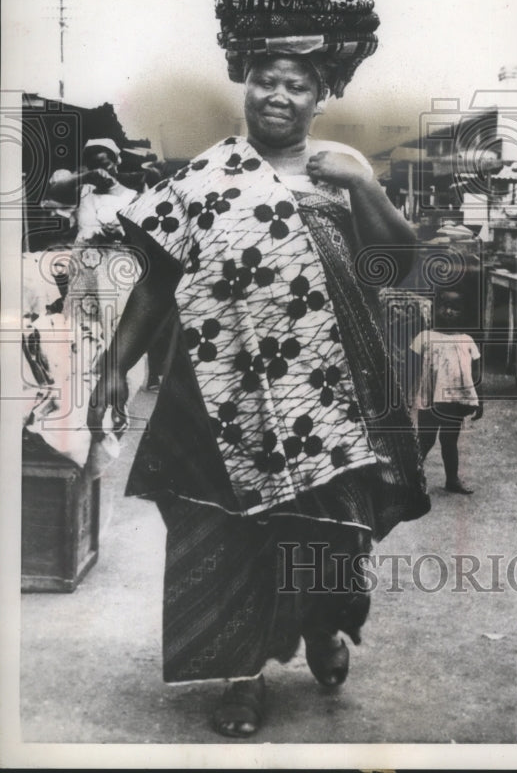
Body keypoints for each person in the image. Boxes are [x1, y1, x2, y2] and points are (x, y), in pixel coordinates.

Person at [88, 54, 430, 737]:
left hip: (329, 394)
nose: (278, 95)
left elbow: (398, 263)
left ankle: (323, 622)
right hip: (221, 390)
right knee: (224, 525)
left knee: (331, 526)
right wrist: (114, 365)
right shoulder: (201, 179)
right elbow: (155, 285)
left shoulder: (341, 172)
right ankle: (240, 676)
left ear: (320, 97)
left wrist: (364, 185)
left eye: (296, 85)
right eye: (265, 81)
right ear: (245, 88)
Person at [410, 288, 483, 494]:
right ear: (434, 309)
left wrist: (480, 400)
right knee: (425, 440)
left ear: (464, 313)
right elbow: (410, 370)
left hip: (454, 402)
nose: (448, 311)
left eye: (455, 308)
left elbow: (475, 375)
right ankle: (410, 479)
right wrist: (406, 395)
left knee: (450, 441)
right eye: (444, 306)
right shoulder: (424, 338)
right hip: (429, 400)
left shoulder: (467, 341)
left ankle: (452, 480)